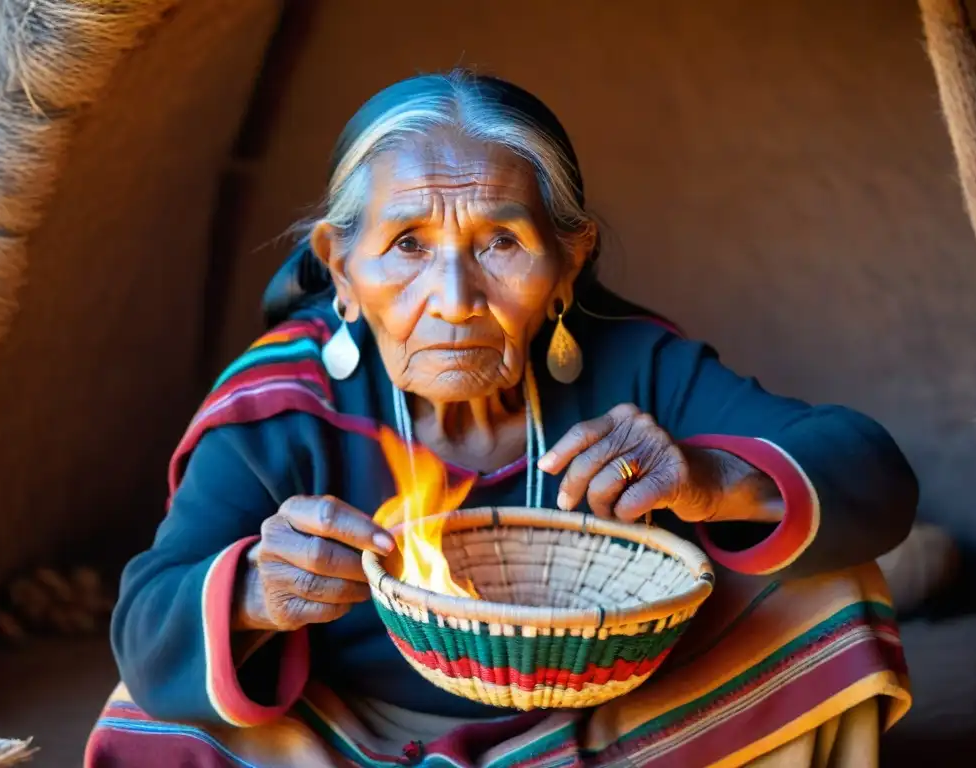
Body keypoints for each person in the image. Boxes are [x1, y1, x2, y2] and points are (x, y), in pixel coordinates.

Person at [85, 70, 917, 767]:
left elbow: (872, 472)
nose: (454, 302)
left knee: (837, 601)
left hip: (604, 725)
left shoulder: (633, 365)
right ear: (342, 267)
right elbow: (149, 623)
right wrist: (259, 593)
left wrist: (713, 480)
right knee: (149, 717)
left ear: (570, 261)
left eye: (500, 243)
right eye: (407, 244)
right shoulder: (277, 407)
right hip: (345, 739)